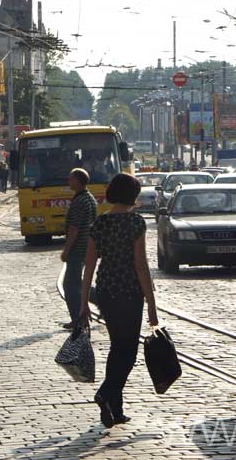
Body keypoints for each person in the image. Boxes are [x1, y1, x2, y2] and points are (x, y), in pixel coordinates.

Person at [79, 173, 158, 428]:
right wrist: (152, 305)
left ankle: (115, 408)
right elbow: (141, 266)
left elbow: (88, 267)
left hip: (106, 291)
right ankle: (106, 393)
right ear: (133, 195)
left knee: (117, 347)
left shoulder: (100, 223)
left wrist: (83, 304)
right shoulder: (135, 223)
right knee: (128, 352)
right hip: (130, 292)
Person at [60, 168, 98, 330]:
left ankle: (78, 319)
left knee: (70, 285)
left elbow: (74, 227)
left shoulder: (80, 201)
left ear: (78, 181)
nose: (69, 181)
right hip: (87, 246)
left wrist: (66, 249)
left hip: (78, 248)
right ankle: (101, 299)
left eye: (71, 179)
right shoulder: (89, 198)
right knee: (78, 282)